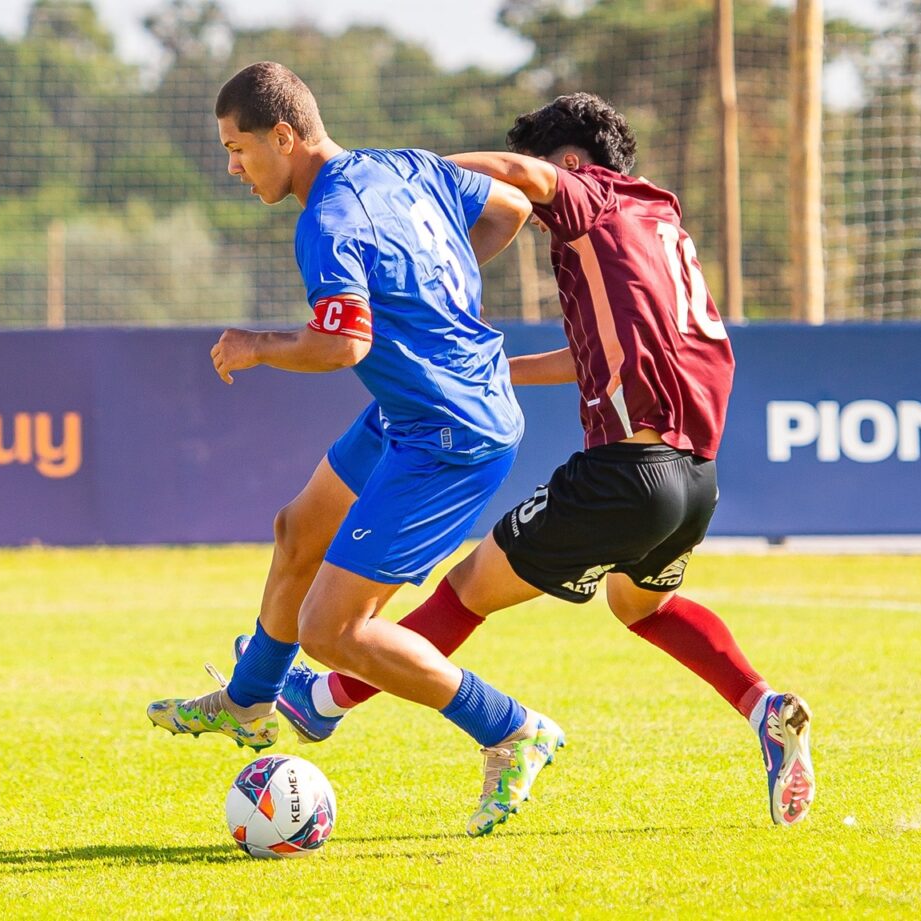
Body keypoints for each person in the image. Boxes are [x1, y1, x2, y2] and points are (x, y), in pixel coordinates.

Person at [261, 93, 816, 827]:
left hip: (625, 475)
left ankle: (322, 698)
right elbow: (596, 360)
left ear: (576, 163)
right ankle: (763, 704)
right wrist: (498, 369)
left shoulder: (589, 198)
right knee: (638, 604)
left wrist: (401, 181)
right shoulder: (655, 221)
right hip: (694, 479)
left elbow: (524, 175)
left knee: (464, 589)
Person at [147, 62, 565, 839]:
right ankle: (249, 700)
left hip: (453, 432)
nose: (233, 167)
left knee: (332, 630)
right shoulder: (403, 167)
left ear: (284, 135)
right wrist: (436, 289)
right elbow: (509, 205)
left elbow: (343, 343)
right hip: (412, 409)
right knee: (298, 528)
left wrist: (258, 344)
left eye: (239, 149)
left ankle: (510, 729)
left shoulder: (328, 221)